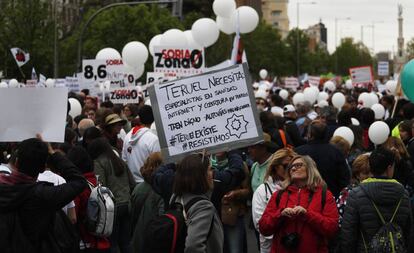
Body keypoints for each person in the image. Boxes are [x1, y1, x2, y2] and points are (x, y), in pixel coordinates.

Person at [0, 136, 87, 252]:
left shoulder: (3, 188)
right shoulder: (43, 195)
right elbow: (79, 181)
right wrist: (53, 153)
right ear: (43, 168)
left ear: (16, 162)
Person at [259, 155, 339, 253]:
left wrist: (307, 214)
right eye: (291, 166)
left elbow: (332, 229)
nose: (293, 168)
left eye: (299, 165)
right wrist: (280, 215)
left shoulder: (324, 194)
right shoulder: (278, 195)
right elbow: (263, 228)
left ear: (310, 169)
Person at [339, 147, 412, 252]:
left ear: (371, 167)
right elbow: (409, 233)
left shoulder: (356, 194)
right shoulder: (404, 194)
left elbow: (348, 235)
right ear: (389, 168)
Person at [171, 153, 224, 253]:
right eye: (210, 169)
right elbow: (193, 247)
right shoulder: (203, 206)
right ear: (201, 175)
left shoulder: (176, 197)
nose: (213, 173)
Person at [88, 138, 134, 253]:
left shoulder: (98, 163)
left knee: (113, 244)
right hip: (127, 204)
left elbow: (100, 188)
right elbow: (132, 183)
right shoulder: (119, 161)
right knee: (126, 242)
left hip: (112, 208)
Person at [252, 148, 297, 253]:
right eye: (286, 166)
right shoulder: (262, 191)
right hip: (271, 247)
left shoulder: (301, 187)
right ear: (275, 167)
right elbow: (259, 224)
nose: (291, 170)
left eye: (293, 166)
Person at [67, 146, 110, 253]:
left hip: (86, 242)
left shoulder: (78, 187)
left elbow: (72, 217)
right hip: (102, 239)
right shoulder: (96, 181)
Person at [295, 120, 350, 197]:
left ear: (309, 134)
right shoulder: (335, 152)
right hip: (330, 196)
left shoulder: (298, 152)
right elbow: (344, 178)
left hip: (304, 197)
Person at [211, 151, 250, 253]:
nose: (218, 149)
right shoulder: (205, 165)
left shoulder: (239, 164)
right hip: (212, 216)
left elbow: (247, 190)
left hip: (232, 214)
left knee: (235, 249)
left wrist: (237, 193)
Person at [130, 152, 164, 253]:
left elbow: (131, 214)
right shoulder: (162, 191)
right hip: (155, 242)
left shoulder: (137, 189)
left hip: (138, 239)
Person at [122, 105, 160, 183]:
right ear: (153, 119)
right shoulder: (153, 139)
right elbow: (158, 165)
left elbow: (124, 160)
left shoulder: (127, 136)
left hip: (132, 183)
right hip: (149, 184)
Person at [336, 153, 372, 226]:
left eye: (372, 172)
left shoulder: (379, 190)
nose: (370, 176)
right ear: (357, 175)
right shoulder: (346, 193)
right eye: (365, 173)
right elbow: (340, 219)